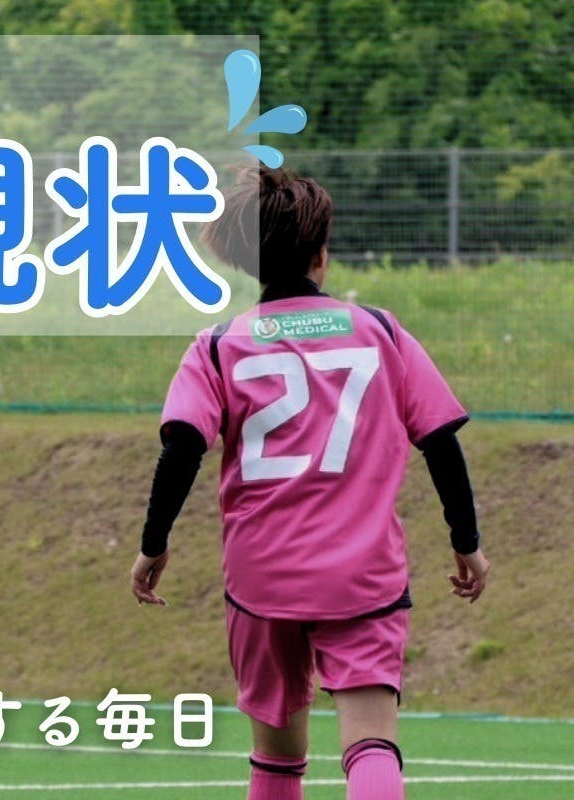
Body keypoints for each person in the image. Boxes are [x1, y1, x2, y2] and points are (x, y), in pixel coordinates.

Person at [129, 166, 490, 800]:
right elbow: (440, 440)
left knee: (275, 762)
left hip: (261, 577)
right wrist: (467, 541)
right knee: (371, 745)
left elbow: (182, 446)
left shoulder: (217, 345)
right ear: (321, 256)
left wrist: (153, 544)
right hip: (362, 574)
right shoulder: (381, 331)